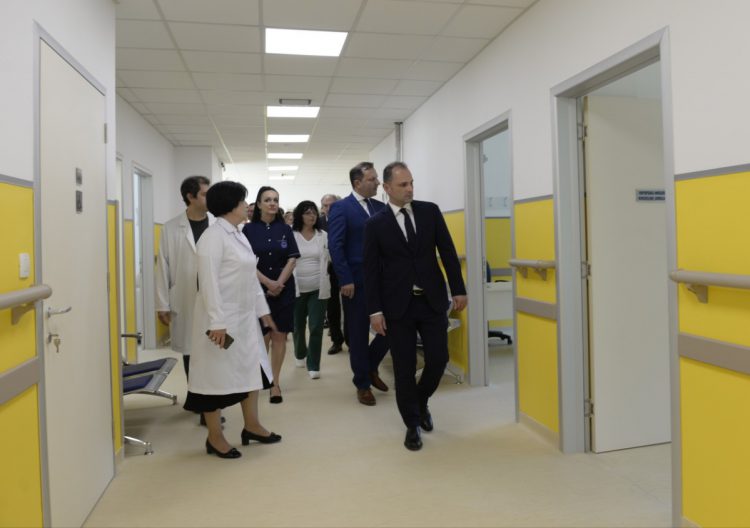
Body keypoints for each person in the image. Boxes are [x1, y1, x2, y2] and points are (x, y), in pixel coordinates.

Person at [363, 161, 467, 451]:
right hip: (398, 306)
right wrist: (375, 311)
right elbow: (370, 271)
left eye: (411, 183)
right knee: (404, 367)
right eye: (403, 185)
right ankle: (411, 423)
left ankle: (421, 401)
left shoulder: (429, 211)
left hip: (432, 301)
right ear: (387, 188)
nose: (409, 189)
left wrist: (458, 288)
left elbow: (447, 251)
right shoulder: (375, 224)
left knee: (438, 359)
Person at [184, 180, 281, 459]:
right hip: (221, 322)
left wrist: (263, 311)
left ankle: (252, 426)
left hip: (244, 319)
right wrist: (217, 322)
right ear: (230, 206)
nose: (246, 206)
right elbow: (209, 283)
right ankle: (214, 438)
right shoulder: (213, 237)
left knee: (252, 371)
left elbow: (250, 276)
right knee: (215, 380)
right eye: (242, 202)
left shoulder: (238, 234)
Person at [328, 162, 389, 406]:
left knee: (392, 326)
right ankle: (362, 384)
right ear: (357, 183)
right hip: (356, 281)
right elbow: (335, 245)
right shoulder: (341, 208)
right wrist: (345, 279)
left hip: (383, 280)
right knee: (358, 332)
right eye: (372, 179)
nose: (377, 183)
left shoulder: (381, 207)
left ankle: (371, 365)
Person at [243, 187, 299, 404]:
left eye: (275, 199)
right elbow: (246, 262)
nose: (272, 203)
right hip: (257, 289)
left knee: (279, 335)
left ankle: (275, 382)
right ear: (258, 204)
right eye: (267, 200)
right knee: (261, 337)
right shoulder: (248, 230)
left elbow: (292, 259)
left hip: (283, 289)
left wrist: (278, 284)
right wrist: (267, 283)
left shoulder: (285, 229)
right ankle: (261, 377)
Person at [291, 201, 330, 379]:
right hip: (297, 289)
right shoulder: (292, 235)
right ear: (300, 215)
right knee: (298, 326)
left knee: (316, 327)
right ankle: (300, 353)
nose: (312, 216)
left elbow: (330, 258)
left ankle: (313, 364)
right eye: (307, 213)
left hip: (318, 288)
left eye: (314, 212)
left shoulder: (323, 235)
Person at [320, 193, 346, 355]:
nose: (328, 208)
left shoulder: (345, 219)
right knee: (332, 306)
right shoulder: (318, 222)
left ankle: (351, 338)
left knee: (349, 305)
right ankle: (337, 340)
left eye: (331, 205)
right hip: (327, 268)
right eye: (325, 205)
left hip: (344, 267)